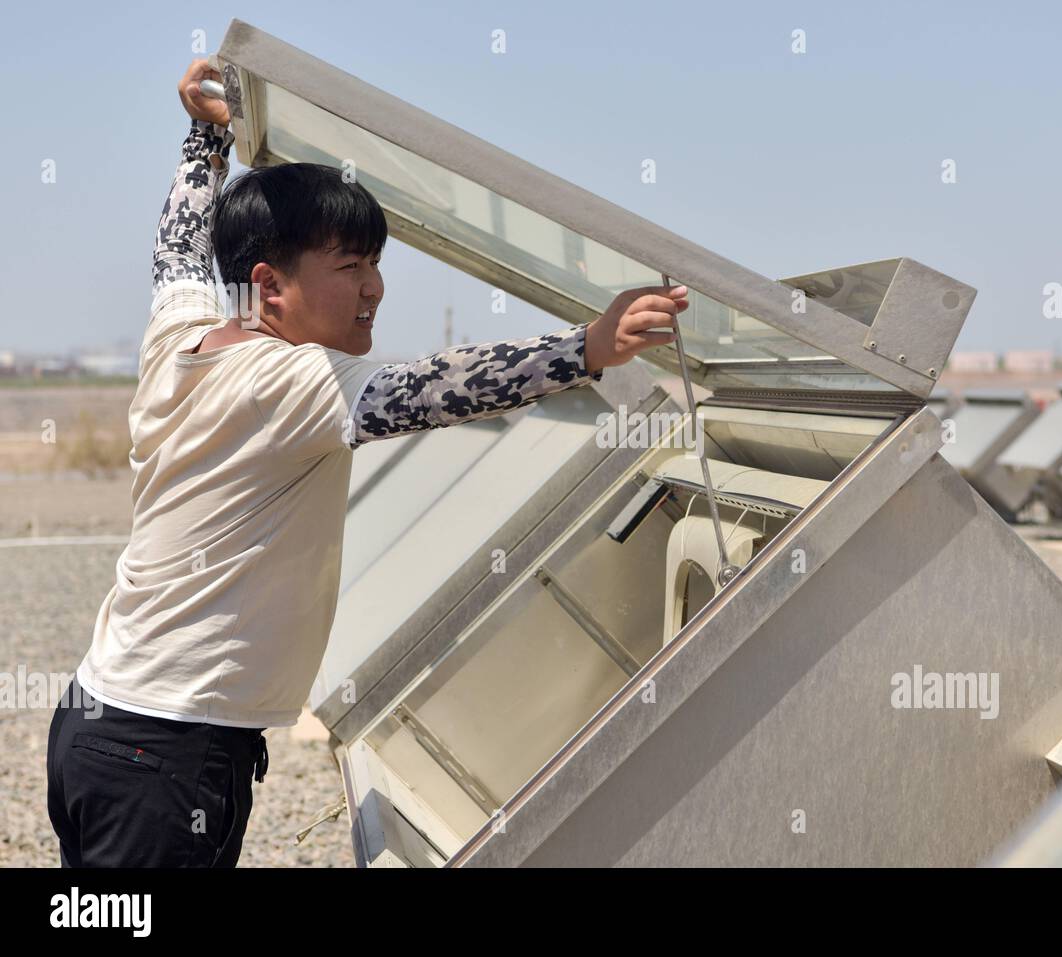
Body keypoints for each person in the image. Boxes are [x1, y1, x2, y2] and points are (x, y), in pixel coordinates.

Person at [46, 57, 688, 867]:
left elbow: (177, 249)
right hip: (164, 753)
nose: (375, 288)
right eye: (350, 267)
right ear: (268, 286)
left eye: (376, 263)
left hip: (100, 722)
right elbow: (428, 390)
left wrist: (204, 135)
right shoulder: (290, 378)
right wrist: (584, 349)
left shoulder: (184, 334)